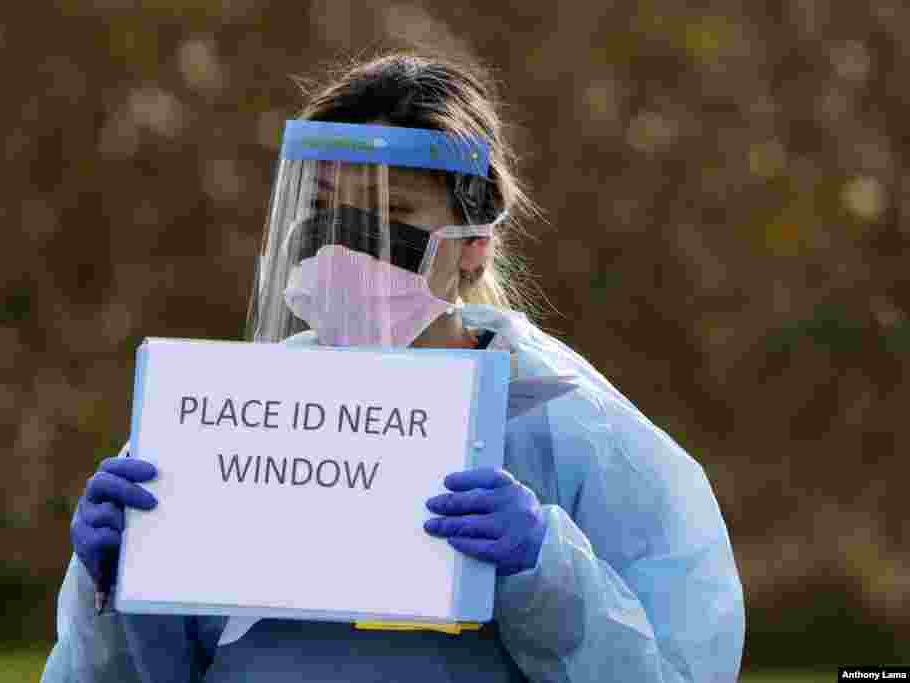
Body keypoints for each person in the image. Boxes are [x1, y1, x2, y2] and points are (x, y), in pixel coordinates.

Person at [41, 50, 745, 682]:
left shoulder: (584, 441)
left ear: (474, 244)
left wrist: (545, 573)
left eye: (394, 209)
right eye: (319, 207)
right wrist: (113, 584)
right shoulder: (229, 422)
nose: (345, 237)